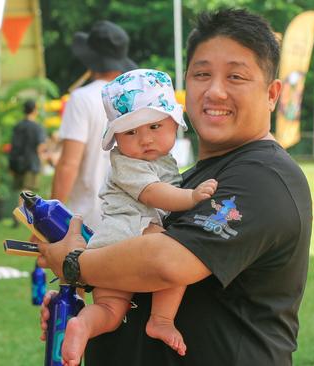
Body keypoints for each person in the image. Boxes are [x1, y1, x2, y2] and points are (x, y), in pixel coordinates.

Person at [38, 8, 313, 366]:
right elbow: (139, 261)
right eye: (202, 74)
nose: (214, 91)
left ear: (272, 93)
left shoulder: (264, 179)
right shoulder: (187, 178)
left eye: (235, 76)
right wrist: (89, 304)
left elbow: (167, 263)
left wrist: (74, 264)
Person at [60, 69, 218, 365]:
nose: (144, 139)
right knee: (175, 258)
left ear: (174, 123)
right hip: (130, 233)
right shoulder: (125, 162)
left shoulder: (163, 160)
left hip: (116, 242)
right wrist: (192, 197)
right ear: (116, 139)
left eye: (154, 126)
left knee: (110, 310)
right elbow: (154, 194)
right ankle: (161, 319)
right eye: (131, 132)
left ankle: (82, 326)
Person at [49, 20, 138, 232]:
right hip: (129, 216)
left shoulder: (82, 99)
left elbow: (68, 164)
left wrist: (50, 217)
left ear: (90, 59)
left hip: (87, 216)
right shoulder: (136, 99)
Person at [9, 100, 46, 193]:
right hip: (31, 163)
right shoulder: (37, 127)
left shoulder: (18, 126)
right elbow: (40, 147)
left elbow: (13, 145)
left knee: (21, 192)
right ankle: (23, 208)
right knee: (27, 193)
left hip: (18, 163)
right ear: (34, 110)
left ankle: (20, 208)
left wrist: (11, 164)